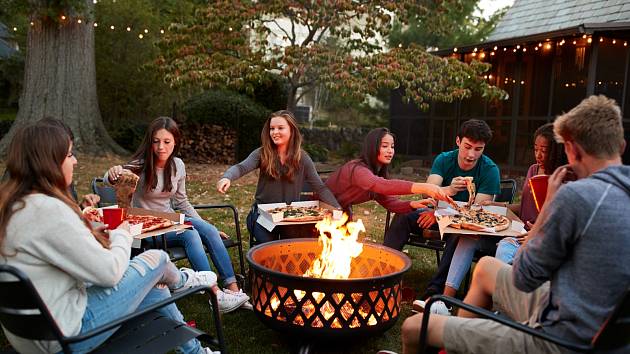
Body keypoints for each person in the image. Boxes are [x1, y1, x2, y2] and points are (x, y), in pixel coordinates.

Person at [400, 95, 630, 354]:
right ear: (621, 146)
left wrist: (550, 206)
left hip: (558, 338)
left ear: (572, 150)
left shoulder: (576, 197)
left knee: (413, 327)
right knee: (486, 267)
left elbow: (523, 276)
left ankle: (451, 334)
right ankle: (457, 343)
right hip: (589, 319)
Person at [0, 122, 220, 354]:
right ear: (49, 162)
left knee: (155, 287)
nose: (75, 161)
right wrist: (122, 234)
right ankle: (184, 281)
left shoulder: (15, 206)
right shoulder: (48, 209)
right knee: (157, 259)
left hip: (32, 333)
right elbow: (110, 273)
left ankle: (195, 351)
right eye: (69, 154)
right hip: (67, 336)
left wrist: (90, 235)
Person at [106, 117, 249, 313]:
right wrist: (112, 173)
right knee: (190, 233)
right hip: (148, 228)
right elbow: (112, 179)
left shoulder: (178, 165)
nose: (161, 147)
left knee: (208, 229)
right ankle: (214, 294)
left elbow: (181, 202)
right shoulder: (139, 165)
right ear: (150, 142)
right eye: (156, 141)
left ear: (175, 142)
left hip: (171, 220)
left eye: (167, 142)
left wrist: (208, 226)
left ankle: (232, 289)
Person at [383, 119, 500, 314]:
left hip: (460, 224)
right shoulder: (444, 159)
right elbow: (426, 193)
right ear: (458, 141)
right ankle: (383, 274)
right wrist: (450, 190)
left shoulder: (489, 170)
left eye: (478, 149)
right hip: (435, 212)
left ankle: (434, 295)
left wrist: (439, 215)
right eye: (467, 147)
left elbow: (475, 213)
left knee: (458, 233)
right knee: (404, 215)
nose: (471, 155)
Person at [217, 110, 341, 244]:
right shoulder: (262, 153)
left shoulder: (302, 158)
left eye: (280, 128)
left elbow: (320, 188)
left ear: (292, 130)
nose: (274, 132)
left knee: (293, 248)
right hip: (262, 217)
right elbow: (241, 167)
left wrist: (337, 208)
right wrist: (227, 177)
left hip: (289, 218)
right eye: (272, 128)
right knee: (270, 248)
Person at [325, 127, 453, 219]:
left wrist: (412, 204)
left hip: (341, 212)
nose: (390, 151)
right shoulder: (358, 169)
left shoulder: (376, 174)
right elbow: (381, 185)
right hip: (322, 209)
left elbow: (390, 203)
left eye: (392, 146)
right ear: (373, 147)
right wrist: (424, 187)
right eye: (385, 146)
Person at [486, 123, 566, 264]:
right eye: (535, 149)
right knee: (504, 249)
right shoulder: (533, 170)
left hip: (543, 238)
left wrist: (538, 233)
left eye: (544, 150)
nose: (538, 155)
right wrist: (495, 205)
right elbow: (525, 206)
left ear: (556, 151)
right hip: (520, 232)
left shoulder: (564, 178)